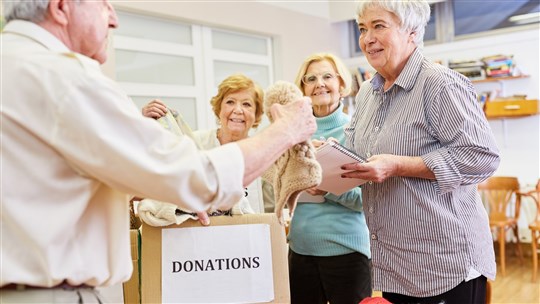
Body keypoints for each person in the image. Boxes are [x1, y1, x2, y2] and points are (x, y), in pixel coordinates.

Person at [0, 1, 316, 302]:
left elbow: (44, 183)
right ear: (61, 6)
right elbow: (198, 178)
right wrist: (287, 129)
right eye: (103, 4)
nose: (113, 19)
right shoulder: (63, 78)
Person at [342, 1, 500, 303]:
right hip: (396, 266)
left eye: (379, 26)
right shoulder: (366, 93)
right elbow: (354, 153)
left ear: (412, 32)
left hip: (444, 265)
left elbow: (482, 157)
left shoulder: (439, 84)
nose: (367, 38)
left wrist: (399, 165)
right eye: (363, 29)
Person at [287, 53, 371, 304]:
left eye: (327, 76)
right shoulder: (292, 133)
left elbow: (365, 200)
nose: (319, 83)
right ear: (303, 89)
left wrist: (326, 186)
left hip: (346, 252)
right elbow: (277, 190)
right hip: (300, 249)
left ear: (341, 85)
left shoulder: (356, 131)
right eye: (310, 78)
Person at [142, 73, 266, 214]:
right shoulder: (193, 142)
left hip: (252, 230)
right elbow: (156, 169)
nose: (238, 110)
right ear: (219, 109)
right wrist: (143, 124)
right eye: (230, 102)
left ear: (256, 114)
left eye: (246, 104)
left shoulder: (264, 152)